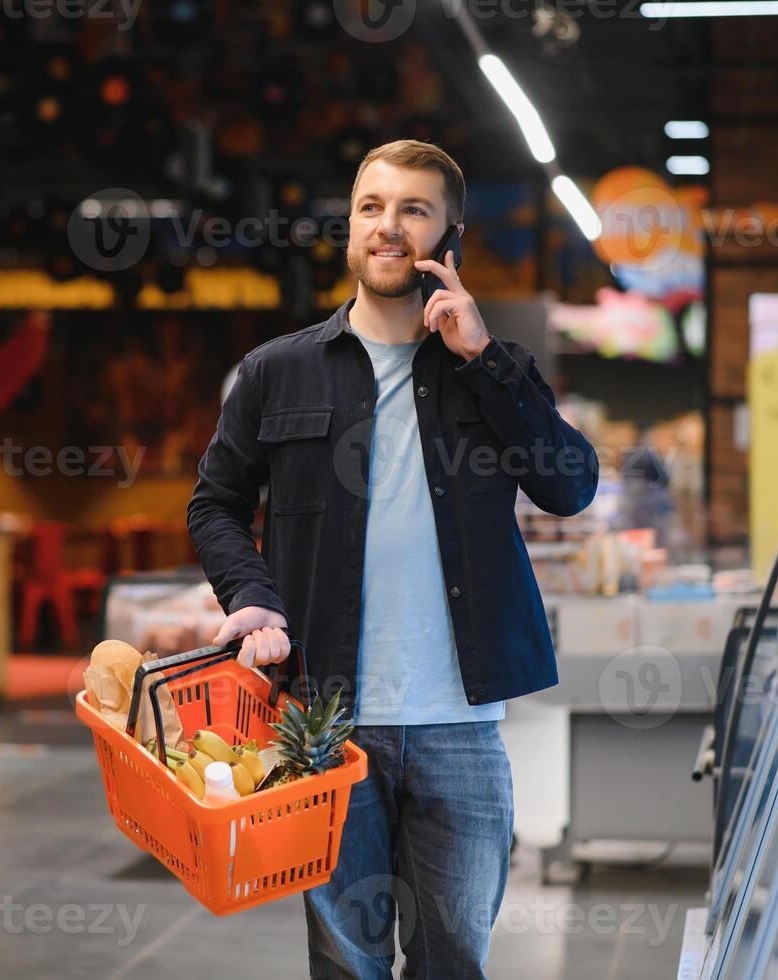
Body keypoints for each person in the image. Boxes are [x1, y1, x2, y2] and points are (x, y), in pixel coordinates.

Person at [186, 139, 598, 978]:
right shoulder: (277, 371)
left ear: (448, 236)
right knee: (346, 965)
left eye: (413, 210)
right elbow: (214, 503)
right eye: (371, 207)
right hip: (327, 723)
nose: (387, 227)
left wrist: (483, 361)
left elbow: (569, 487)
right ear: (350, 227)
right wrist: (253, 596)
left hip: (461, 727)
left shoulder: (489, 368)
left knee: (453, 962)